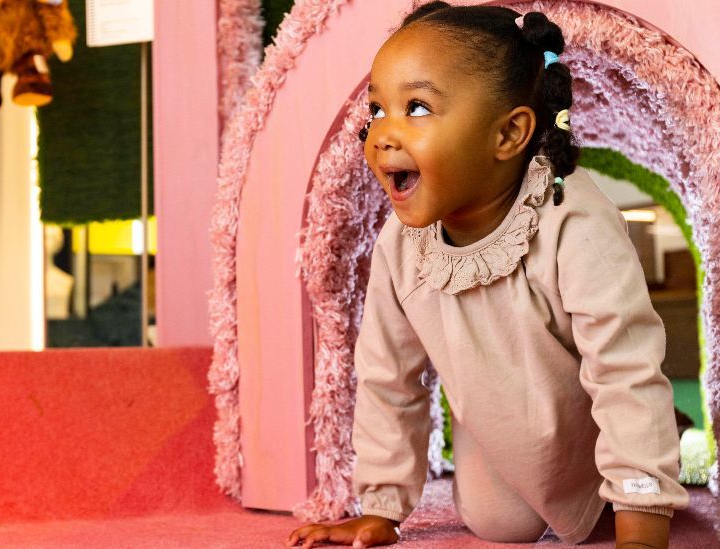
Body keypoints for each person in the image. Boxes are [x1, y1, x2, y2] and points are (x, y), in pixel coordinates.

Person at [287, 2, 689, 547]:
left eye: (418, 107)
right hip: (505, 435)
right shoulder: (400, 246)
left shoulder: (572, 221)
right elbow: (389, 378)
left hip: (595, 435)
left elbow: (624, 368)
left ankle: (664, 447)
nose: (382, 133)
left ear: (508, 135)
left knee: (629, 478)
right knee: (497, 523)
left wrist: (642, 514)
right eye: (377, 109)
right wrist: (381, 507)